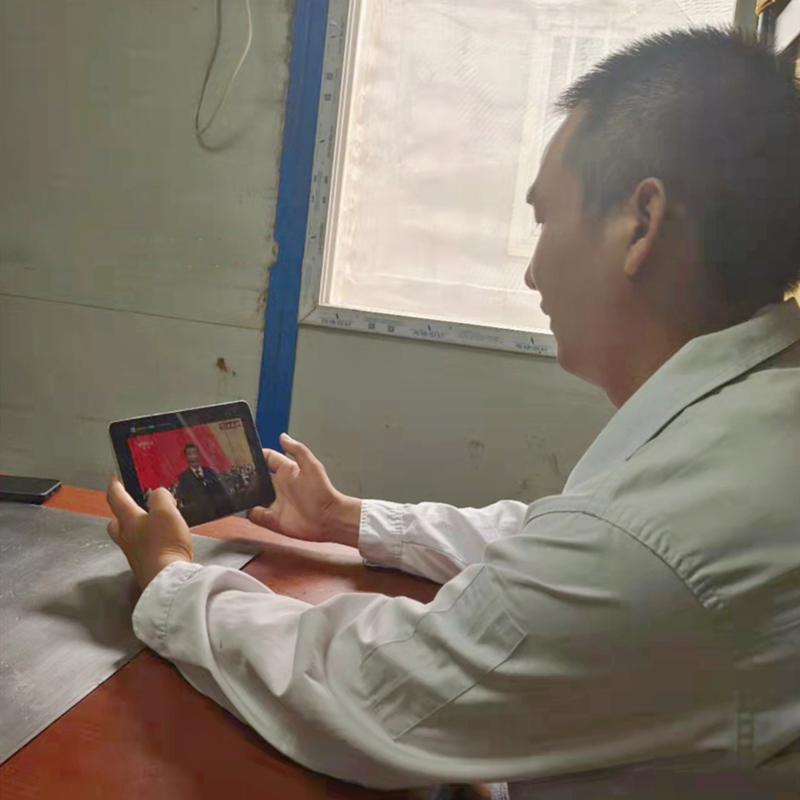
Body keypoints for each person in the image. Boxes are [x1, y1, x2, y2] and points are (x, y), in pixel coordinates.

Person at [106, 30, 800, 799]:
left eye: (545, 219)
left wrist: (172, 579)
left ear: (641, 223)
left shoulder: (661, 539)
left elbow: (377, 692)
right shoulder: (755, 423)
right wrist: (347, 519)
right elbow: (552, 544)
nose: (533, 271)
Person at [175, 443, 233, 525]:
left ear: (199, 455)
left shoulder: (210, 472)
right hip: (201, 520)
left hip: (219, 516)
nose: (193, 457)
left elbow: (221, 491)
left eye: (194, 453)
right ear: (186, 457)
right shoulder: (183, 478)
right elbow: (187, 500)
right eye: (190, 454)